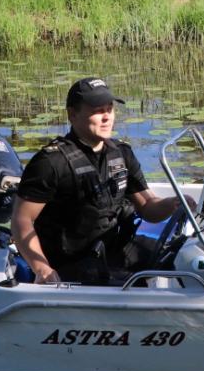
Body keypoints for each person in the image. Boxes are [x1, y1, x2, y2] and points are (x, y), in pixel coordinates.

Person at [13, 78, 189, 284]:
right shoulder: (51, 162)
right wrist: (41, 267)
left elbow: (148, 207)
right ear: (73, 114)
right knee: (135, 285)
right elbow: (21, 220)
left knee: (181, 256)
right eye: (98, 111)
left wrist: (173, 204)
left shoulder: (122, 154)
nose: (107, 117)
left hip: (118, 247)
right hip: (74, 262)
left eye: (109, 109)